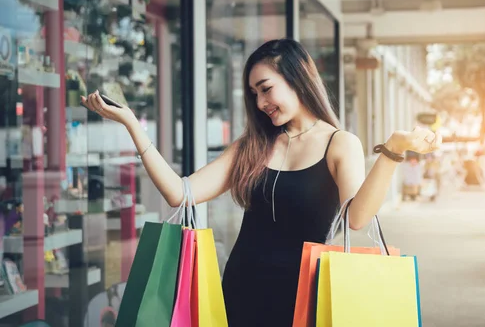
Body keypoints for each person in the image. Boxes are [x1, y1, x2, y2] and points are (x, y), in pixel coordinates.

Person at [81, 39, 441, 326]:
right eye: (254, 93)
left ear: (297, 77)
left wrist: (393, 151)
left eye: (266, 88)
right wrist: (131, 124)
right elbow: (180, 193)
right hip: (240, 291)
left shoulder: (339, 143)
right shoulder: (253, 146)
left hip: (302, 298)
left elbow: (358, 218)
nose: (261, 102)